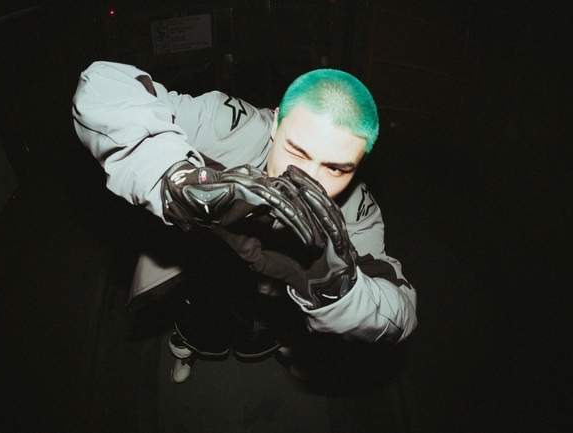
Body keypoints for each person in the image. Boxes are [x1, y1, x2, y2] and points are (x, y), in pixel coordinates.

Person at [72, 61, 417, 383]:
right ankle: (187, 350)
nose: (308, 179)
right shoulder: (233, 129)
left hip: (272, 303)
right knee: (199, 325)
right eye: (297, 150)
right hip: (204, 274)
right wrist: (174, 179)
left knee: (265, 335)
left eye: (336, 168)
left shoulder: (357, 212)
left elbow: (400, 313)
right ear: (276, 123)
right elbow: (103, 85)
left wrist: (336, 291)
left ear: (359, 163)